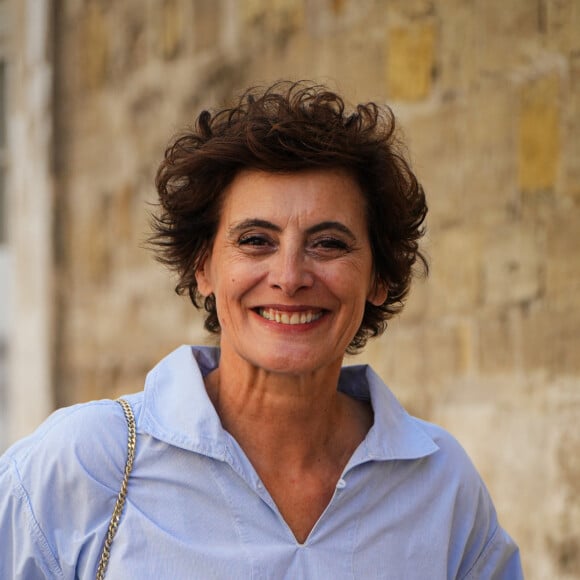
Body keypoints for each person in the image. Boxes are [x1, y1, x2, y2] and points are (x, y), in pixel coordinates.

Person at [0, 81, 523, 578]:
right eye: (255, 240)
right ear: (203, 268)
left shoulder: (440, 486)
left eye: (330, 243)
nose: (290, 277)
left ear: (379, 278)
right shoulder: (86, 465)